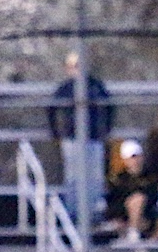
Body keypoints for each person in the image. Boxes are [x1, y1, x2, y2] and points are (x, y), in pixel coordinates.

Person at [48, 52, 115, 220]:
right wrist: (55, 132)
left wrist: (105, 130)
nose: (77, 70)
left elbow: (110, 105)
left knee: (95, 177)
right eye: (73, 66)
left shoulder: (95, 85)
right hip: (72, 138)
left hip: (93, 138)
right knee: (73, 177)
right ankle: (73, 213)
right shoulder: (66, 88)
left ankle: (94, 213)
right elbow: (51, 107)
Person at [105, 139, 158, 242]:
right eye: (132, 157)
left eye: (138, 156)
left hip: (147, 215)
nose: (136, 161)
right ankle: (133, 231)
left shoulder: (150, 177)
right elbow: (113, 202)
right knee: (136, 200)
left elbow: (153, 198)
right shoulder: (118, 180)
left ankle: (147, 239)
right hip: (124, 216)